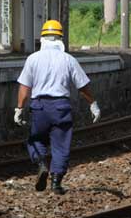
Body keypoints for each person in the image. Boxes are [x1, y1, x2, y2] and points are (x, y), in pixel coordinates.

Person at [14, 20, 101, 194]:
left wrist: (19, 109)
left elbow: (25, 87)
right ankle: (56, 183)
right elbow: (82, 86)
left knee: (35, 139)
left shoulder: (33, 59)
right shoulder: (68, 59)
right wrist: (93, 104)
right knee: (61, 145)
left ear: (43, 38)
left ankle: (40, 164)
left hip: (39, 107)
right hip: (61, 107)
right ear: (60, 38)